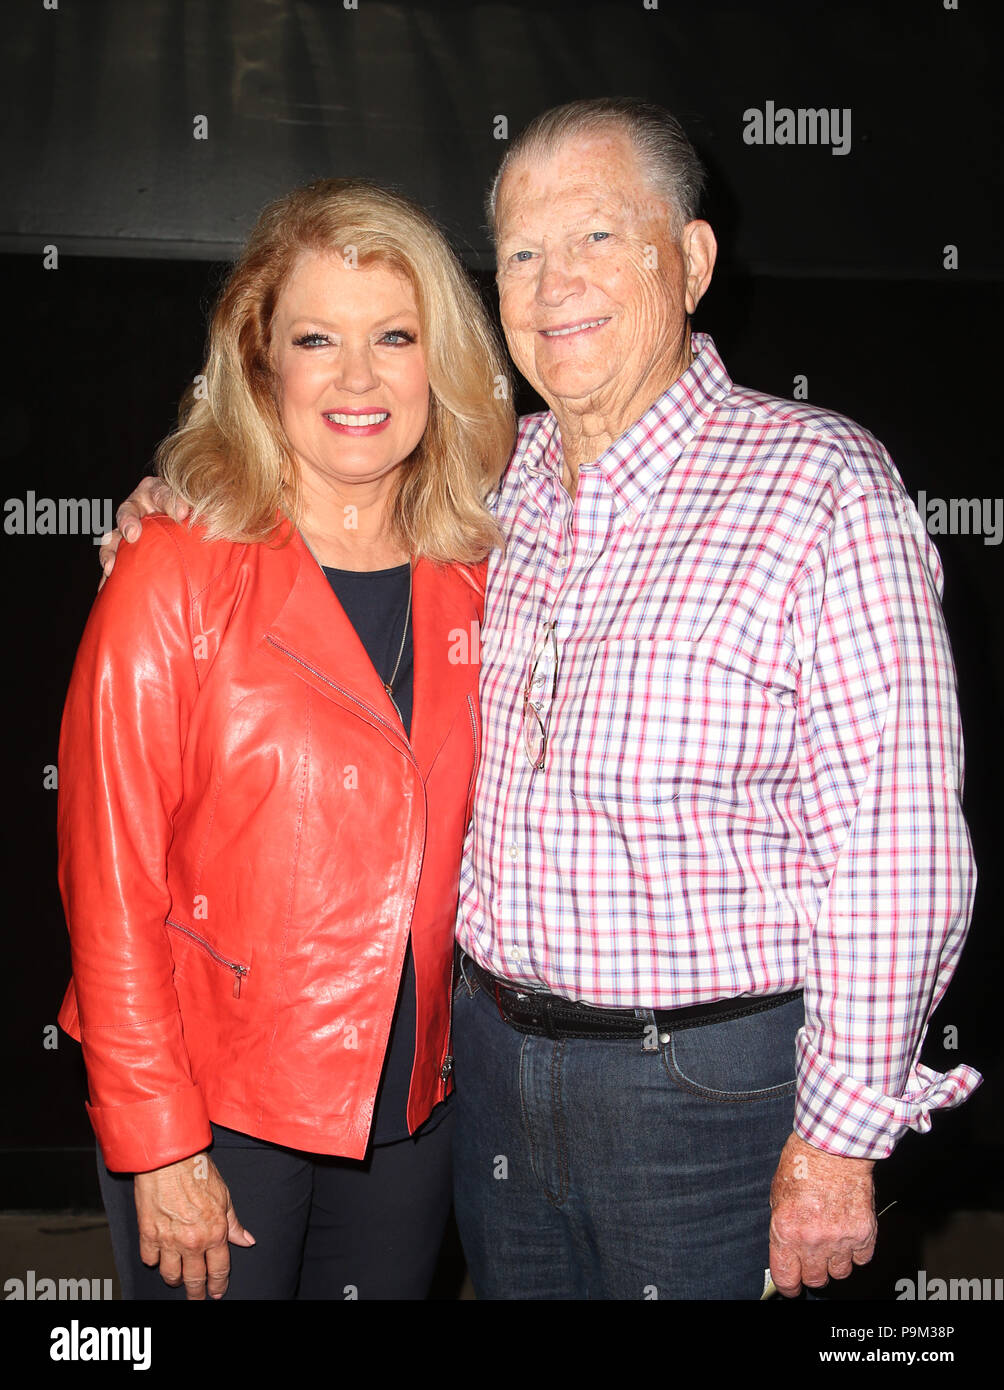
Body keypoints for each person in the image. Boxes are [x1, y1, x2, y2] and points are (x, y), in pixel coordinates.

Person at [105, 98, 981, 1302]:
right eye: (520, 251)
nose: (553, 281)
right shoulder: (484, 487)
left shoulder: (819, 486)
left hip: (709, 1102)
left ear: (692, 259)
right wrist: (174, 498)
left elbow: (899, 851)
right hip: (491, 1076)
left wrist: (835, 1144)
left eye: (596, 239)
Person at [57, 176, 514, 1301]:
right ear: (262, 367)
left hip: (413, 1115)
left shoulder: (492, 570)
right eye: (316, 338)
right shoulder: (174, 569)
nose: (357, 377)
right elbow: (108, 881)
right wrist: (159, 1139)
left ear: (437, 360)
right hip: (218, 1112)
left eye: (394, 337)